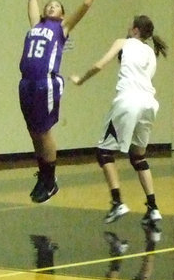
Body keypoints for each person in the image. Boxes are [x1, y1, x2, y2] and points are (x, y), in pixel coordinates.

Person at [69, 15, 167, 229]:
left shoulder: (123, 42)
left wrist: (80, 80)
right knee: (138, 157)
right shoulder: (150, 52)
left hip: (128, 101)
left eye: (130, 27)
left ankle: (117, 202)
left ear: (135, 30)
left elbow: (99, 65)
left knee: (103, 152)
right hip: (149, 104)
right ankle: (153, 207)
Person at [21, 0, 101, 203]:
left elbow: (86, 3)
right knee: (34, 132)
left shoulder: (62, 28)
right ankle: (43, 175)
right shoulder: (36, 25)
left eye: (56, 6)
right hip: (26, 82)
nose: (51, 6)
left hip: (46, 83)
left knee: (44, 132)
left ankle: (51, 180)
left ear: (63, 14)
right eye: (49, 5)